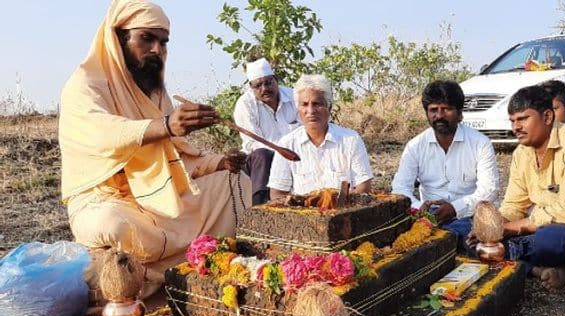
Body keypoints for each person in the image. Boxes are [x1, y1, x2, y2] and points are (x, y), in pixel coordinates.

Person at [59, 0, 250, 298]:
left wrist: (219, 163)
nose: (157, 50)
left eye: (163, 42)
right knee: (114, 225)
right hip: (102, 201)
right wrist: (166, 125)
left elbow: (174, 157)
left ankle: (207, 264)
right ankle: (151, 280)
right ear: (119, 38)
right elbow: (104, 134)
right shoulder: (84, 85)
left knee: (234, 184)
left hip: (156, 196)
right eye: (146, 38)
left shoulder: (155, 93)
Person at [472, 85, 565, 289]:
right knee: (468, 231)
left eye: (523, 119)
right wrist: (493, 226)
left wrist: (510, 229)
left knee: (548, 240)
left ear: (547, 117)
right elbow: (513, 205)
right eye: (512, 121)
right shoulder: (522, 153)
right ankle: (541, 269)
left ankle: (525, 260)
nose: (516, 127)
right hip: (545, 227)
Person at [391, 80, 499, 246]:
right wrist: (420, 210)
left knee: (467, 234)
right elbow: (400, 188)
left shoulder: (480, 143)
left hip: (468, 217)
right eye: (433, 110)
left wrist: (455, 208)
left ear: (460, 113)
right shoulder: (415, 146)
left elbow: (489, 190)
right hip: (427, 218)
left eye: (446, 109)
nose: (439, 116)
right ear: (427, 113)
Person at [269, 74, 373, 198]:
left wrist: (339, 205)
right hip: (303, 214)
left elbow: (364, 186)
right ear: (298, 109)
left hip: (344, 213)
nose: (311, 111)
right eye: (305, 104)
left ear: (329, 107)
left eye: (317, 104)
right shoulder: (287, 144)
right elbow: (277, 193)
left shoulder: (350, 140)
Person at [233, 58, 300, 205]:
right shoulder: (245, 105)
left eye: (268, 82)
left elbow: (305, 132)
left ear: (276, 80)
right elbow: (253, 143)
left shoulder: (295, 97)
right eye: (258, 86)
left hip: (294, 156)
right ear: (251, 87)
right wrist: (282, 156)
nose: (264, 89)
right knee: (263, 155)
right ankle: (259, 208)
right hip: (257, 162)